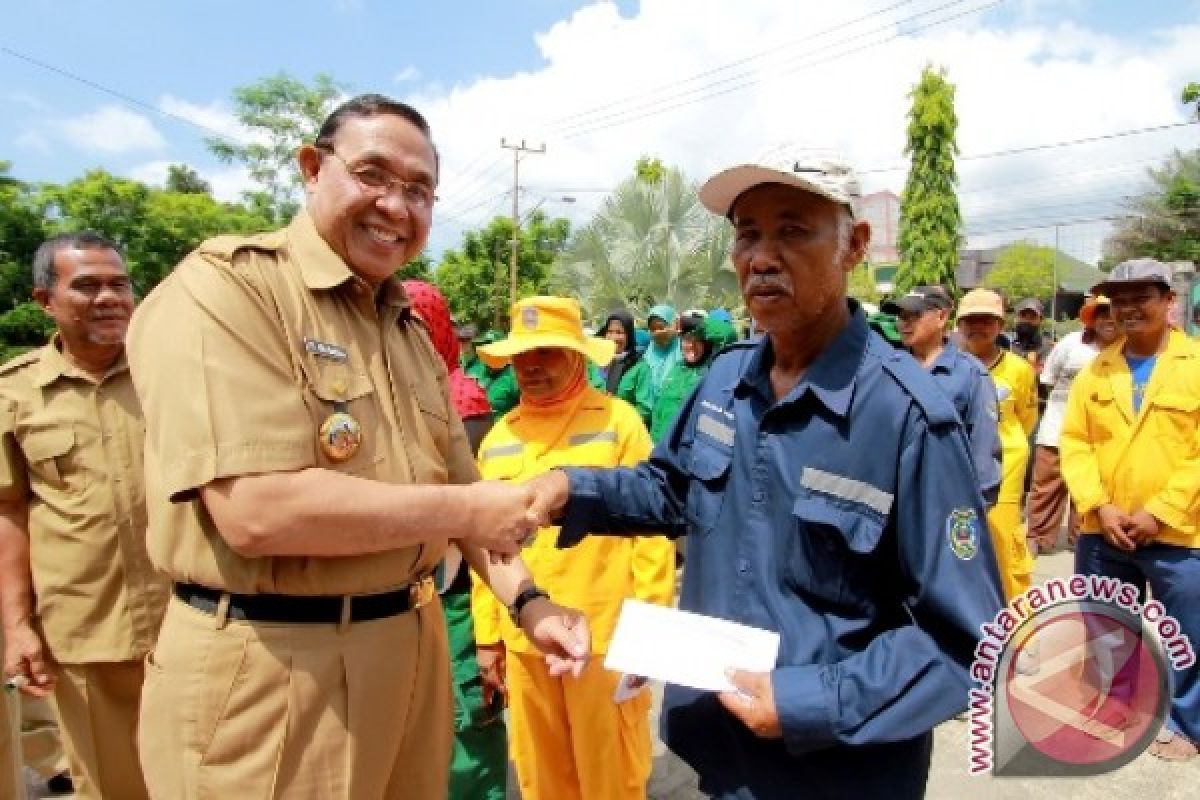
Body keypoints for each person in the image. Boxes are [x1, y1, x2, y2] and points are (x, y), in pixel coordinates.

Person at [125, 94, 589, 799]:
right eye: (373, 175)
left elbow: (470, 511)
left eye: (419, 190)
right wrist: (466, 506)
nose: (396, 207)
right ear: (313, 168)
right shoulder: (231, 290)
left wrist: (530, 604)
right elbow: (257, 510)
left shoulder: (405, 327)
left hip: (411, 652)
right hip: (276, 667)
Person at [521, 149, 1004, 799]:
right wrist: (570, 489)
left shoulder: (907, 418)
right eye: (747, 233)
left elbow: (968, 644)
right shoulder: (727, 378)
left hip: (838, 776)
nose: (762, 256)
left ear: (854, 246)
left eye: (793, 231)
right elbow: (673, 488)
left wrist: (808, 699)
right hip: (723, 760)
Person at [470, 296, 674, 800]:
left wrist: (648, 631)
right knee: (543, 775)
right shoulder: (498, 437)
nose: (532, 367)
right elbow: (483, 543)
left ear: (579, 356)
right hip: (526, 638)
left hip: (604, 638)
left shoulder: (619, 422)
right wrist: (488, 636)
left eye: (547, 353)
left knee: (610, 775)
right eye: (522, 356)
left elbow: (653, 534)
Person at [0, 233, 168, 800]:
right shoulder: (15, 394)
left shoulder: (172, 375)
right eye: (87, 285)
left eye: (119, 284)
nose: (109, 298)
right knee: (112, 785)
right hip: (87, 631)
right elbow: (8, 514)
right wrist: (16, 625)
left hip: (191, 621)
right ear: (45, 299)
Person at [1061, 258, 1200, 762]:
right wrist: (1100, 504)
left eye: (1142, 296)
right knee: (1105, 624)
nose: (1128, 307)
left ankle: (1186, 724)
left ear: (1169, 302)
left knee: (1189, 633)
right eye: (1118, 300)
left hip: (1180, 532)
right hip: (1105, 530)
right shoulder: (1096, 369)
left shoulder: (1196, 364)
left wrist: (1160, 510)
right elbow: (1075, 441)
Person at [404, 281, 507, 800]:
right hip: (410, 591)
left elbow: (469, 511)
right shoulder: (393, 391)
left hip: (457, 588)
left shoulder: (460, 398)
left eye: (417, 325)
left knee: (468, 721)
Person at [955, 288, 1038, 601]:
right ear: (958, 324)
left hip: (1005, 468)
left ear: (1000, 325)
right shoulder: (947, 366)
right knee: (961, 540)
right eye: (971, 320)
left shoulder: (1019, 370)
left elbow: (1026, 418)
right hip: (958, 464)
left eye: (987, 320)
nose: (979, 327)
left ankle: (1015, 619)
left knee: (1003, 539)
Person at [884, 285, 1001, 505]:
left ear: (942, 316)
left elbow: (983, 442)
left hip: (948, 497)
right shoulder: (888, 368)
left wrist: (979, 501)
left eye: (914, 315)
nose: (904, 323)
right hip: (895, 496)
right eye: (901, 316)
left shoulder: (969, 373)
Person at [1025, 296, 1119, 554]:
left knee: (1087, 491)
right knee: (1045, 487)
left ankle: (1081, 539)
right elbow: (1048, 379)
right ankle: (1039, 536)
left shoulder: (1126, 350)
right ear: (1092, 319)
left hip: (1099, 436)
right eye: (1102, 314)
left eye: (1113, 314)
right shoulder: (1070, 344)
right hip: (1056, 428)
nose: (1108, 320)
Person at [649, 315, 738, 443]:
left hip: (687, 449)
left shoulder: (711, 369)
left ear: (707, 344)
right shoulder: (677, 369)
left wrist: (692, 322)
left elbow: (728, 334)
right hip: (661, 448)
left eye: (698, 341)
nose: (691, 346)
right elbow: (661, 411)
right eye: (686, 340)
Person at [617, 304, 681, 426]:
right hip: (645, 426)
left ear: (673, 326)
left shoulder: (684, 354)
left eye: (661, 327)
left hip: (672, 424)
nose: (657, 332)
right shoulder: (646, 357)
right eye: (653, 329)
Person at [598, 309, 640, 395]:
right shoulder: (594, 362)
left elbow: (643, 406)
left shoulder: (639, 367)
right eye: (609, 331)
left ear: (629, 336)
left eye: (619, 332)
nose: (613, 337)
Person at [1009, 298, 1054, 373]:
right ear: (1016, 318)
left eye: (1032, 317)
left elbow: (1046, 375)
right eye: (1023, 316)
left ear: (1040, 320)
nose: (1027, 321)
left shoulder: (1048, 347)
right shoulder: (1007, 344)